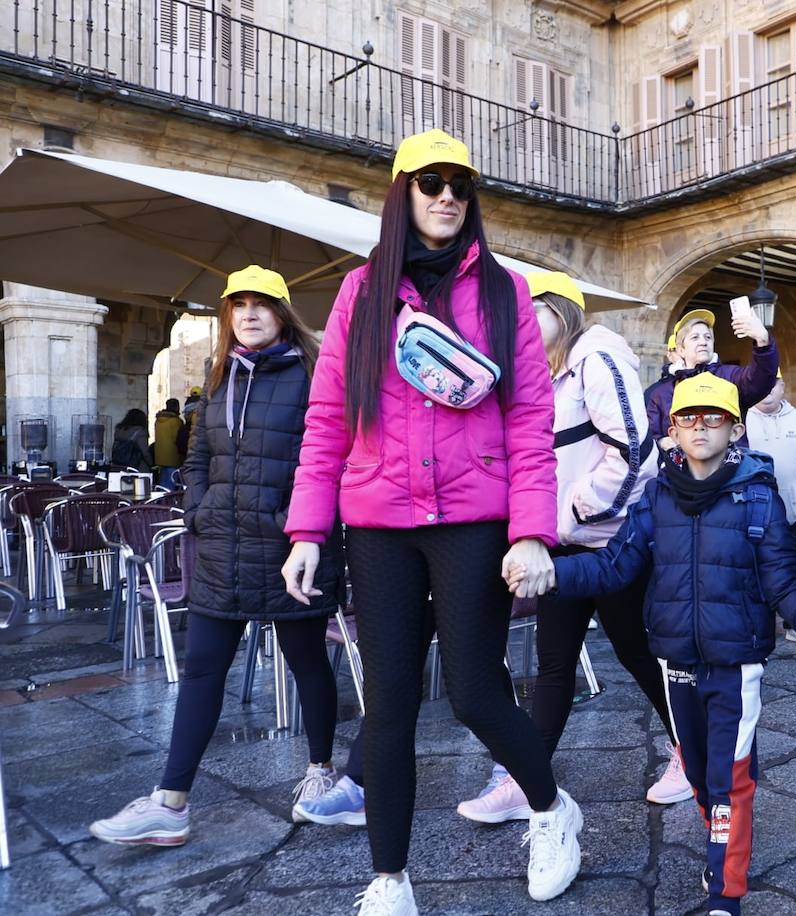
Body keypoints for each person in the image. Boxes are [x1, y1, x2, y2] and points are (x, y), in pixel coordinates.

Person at [280, 130, 582, 914]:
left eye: (459, 184)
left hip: (473, 520)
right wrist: (307, 530)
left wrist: (531, 532)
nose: (447, 195)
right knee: (388, 705)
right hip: (377, 522)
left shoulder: (504, 292)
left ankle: (552, 810)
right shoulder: (361, 293)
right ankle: (389, 881)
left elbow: (529, 422)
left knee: (477, 694)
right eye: (429, 182)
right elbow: (327, 418)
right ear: (402, 192)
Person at [516, 373, 796, 916]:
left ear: (736, 427)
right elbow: (615, 566)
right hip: (676, 660)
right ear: (671, 430)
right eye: (688, 418)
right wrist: (555, 577)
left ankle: (726, 891)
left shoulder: (758, 497)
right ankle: (720, 840)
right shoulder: (655, 498)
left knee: (729, 776)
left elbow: (783, 581)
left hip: (736, 661)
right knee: (699, 769)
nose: (700, 427)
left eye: (714, 417)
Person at [88, 266, 344, 847]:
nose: (249, 313)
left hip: (288, 549)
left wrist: (291, 524)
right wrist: (199, 508)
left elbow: (326, 456)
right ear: (228, 315)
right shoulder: (220, 376)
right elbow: (199, 455)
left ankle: (320, 770)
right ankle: (171, 802)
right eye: (238, 305)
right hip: (221, 548)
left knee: (307, 662)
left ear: (283, 313)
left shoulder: (312, 374)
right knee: (203, 668)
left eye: (262, 304)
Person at [455, 269, 692, 823]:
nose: (517, 322)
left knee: (639, 654)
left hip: (610, 543)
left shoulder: (597, 356)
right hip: (563, 543)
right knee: (556, 661)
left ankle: (693, 754)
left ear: (560, 310)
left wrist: (578, 510)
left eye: (528, 309)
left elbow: (634, 449)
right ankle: (526, 775)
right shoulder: (539, 374)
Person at [646, 307, 779, 452]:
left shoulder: (731, 377)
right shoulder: (662, 393)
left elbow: (762, 379)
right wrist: (660, 442)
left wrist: (762, 340)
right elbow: (647, 436)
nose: (703, 342)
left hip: (729, 469)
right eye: (695, 337)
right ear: (680, 350)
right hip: (679, 471)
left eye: (707, 337)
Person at [746, 371, 796, 646]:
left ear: (783, 386)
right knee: (757, 567)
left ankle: (795, 623)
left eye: (774, 383)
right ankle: (758, 624)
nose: (768, 390)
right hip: (757, 508)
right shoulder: (743, 419)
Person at [152, 398, 186, 487]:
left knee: (163, 485)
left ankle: (162, 500)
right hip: (173, 458)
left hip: (160, 458)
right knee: (172, 484)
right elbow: (179, 440)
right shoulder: (176, 422)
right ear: (177, 407)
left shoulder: (158, 421)